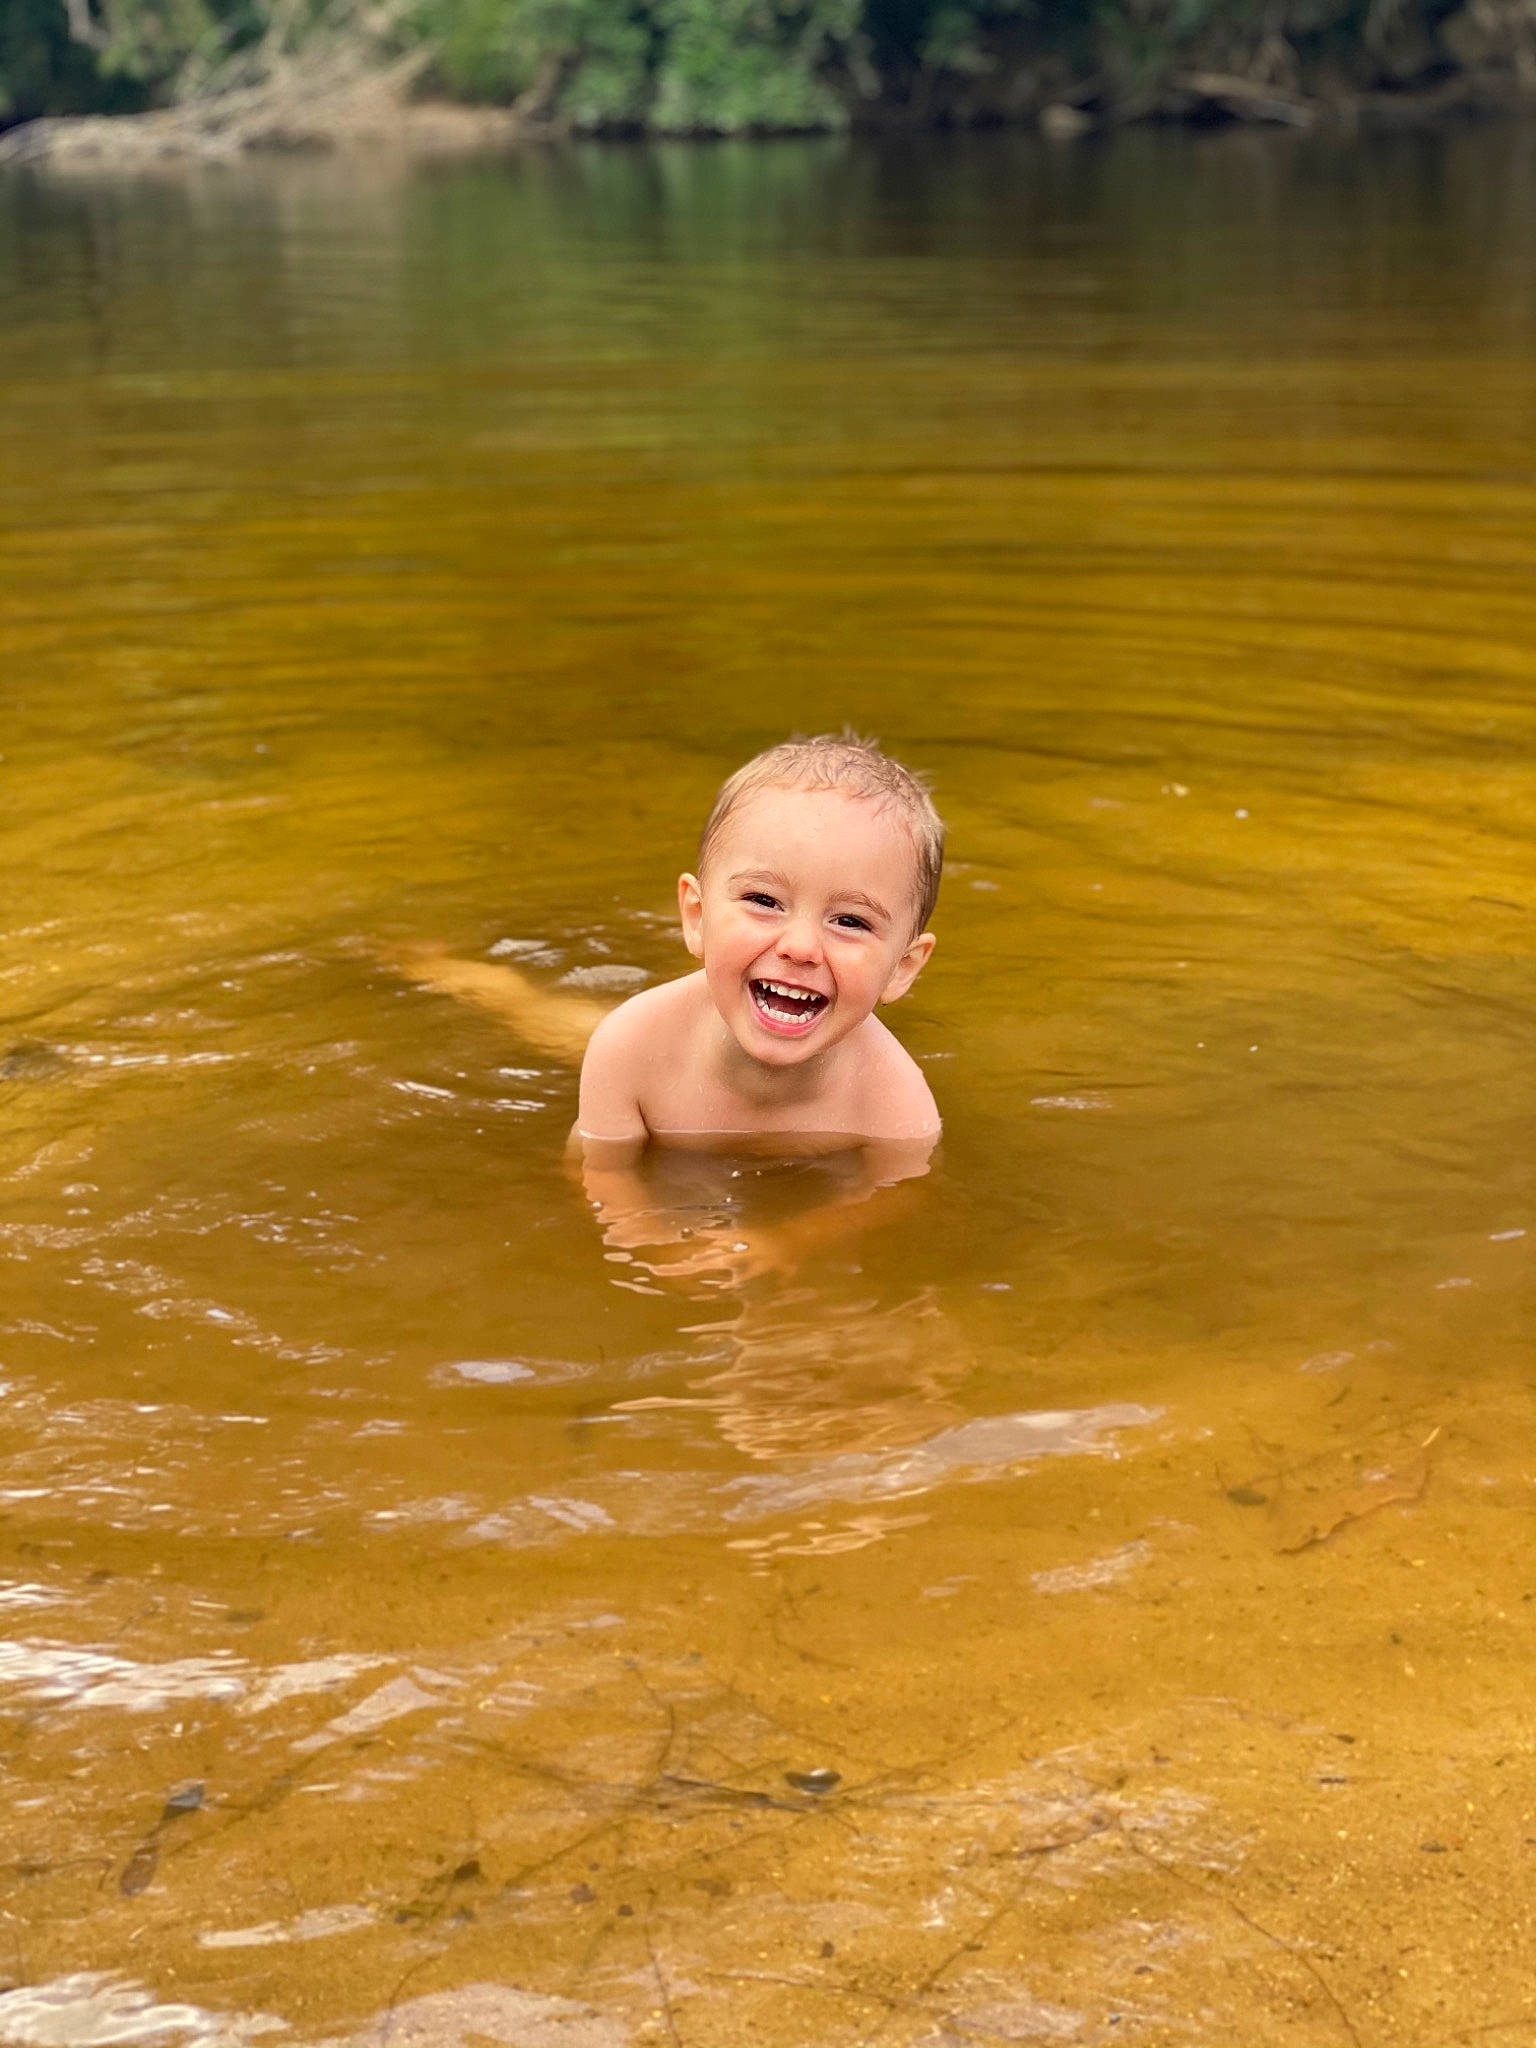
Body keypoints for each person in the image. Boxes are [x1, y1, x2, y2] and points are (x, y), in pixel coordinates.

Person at [395, 732, 944, 1277]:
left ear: (903, 967)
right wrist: (646, 1243)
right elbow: (602, 1169)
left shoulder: (891, 1098)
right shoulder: (633, 1045)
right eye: (763, 900)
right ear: (697, 917)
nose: (799, 947)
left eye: (850, 921)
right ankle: (448, 971)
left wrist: (788, 1242)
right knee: (545, 1021)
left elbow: (897, 1195)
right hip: (671, 1044)